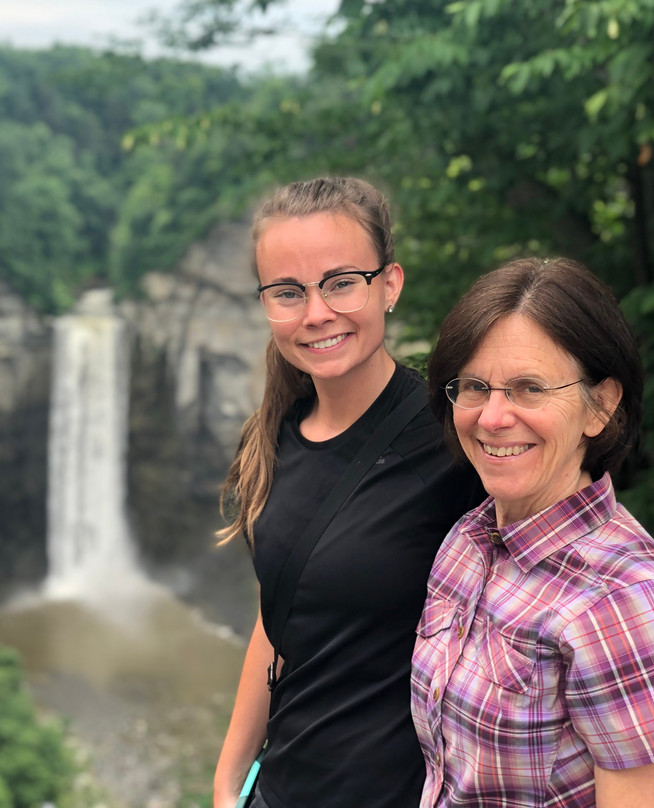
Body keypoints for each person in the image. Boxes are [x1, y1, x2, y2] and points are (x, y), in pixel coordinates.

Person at [212, 177, 484, 808]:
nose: (315, 313)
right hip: (277, 790)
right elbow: (281, 612)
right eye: (288, 291)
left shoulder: (454, 444)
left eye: (340, 282)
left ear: (389, 285)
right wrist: (229, 782)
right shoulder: (275, 433)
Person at [415, 257, 654, 806]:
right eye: (476, 386)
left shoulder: (624, 601)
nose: (492, 417)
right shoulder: (467, 539)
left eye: (529, 388)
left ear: (600, 406)